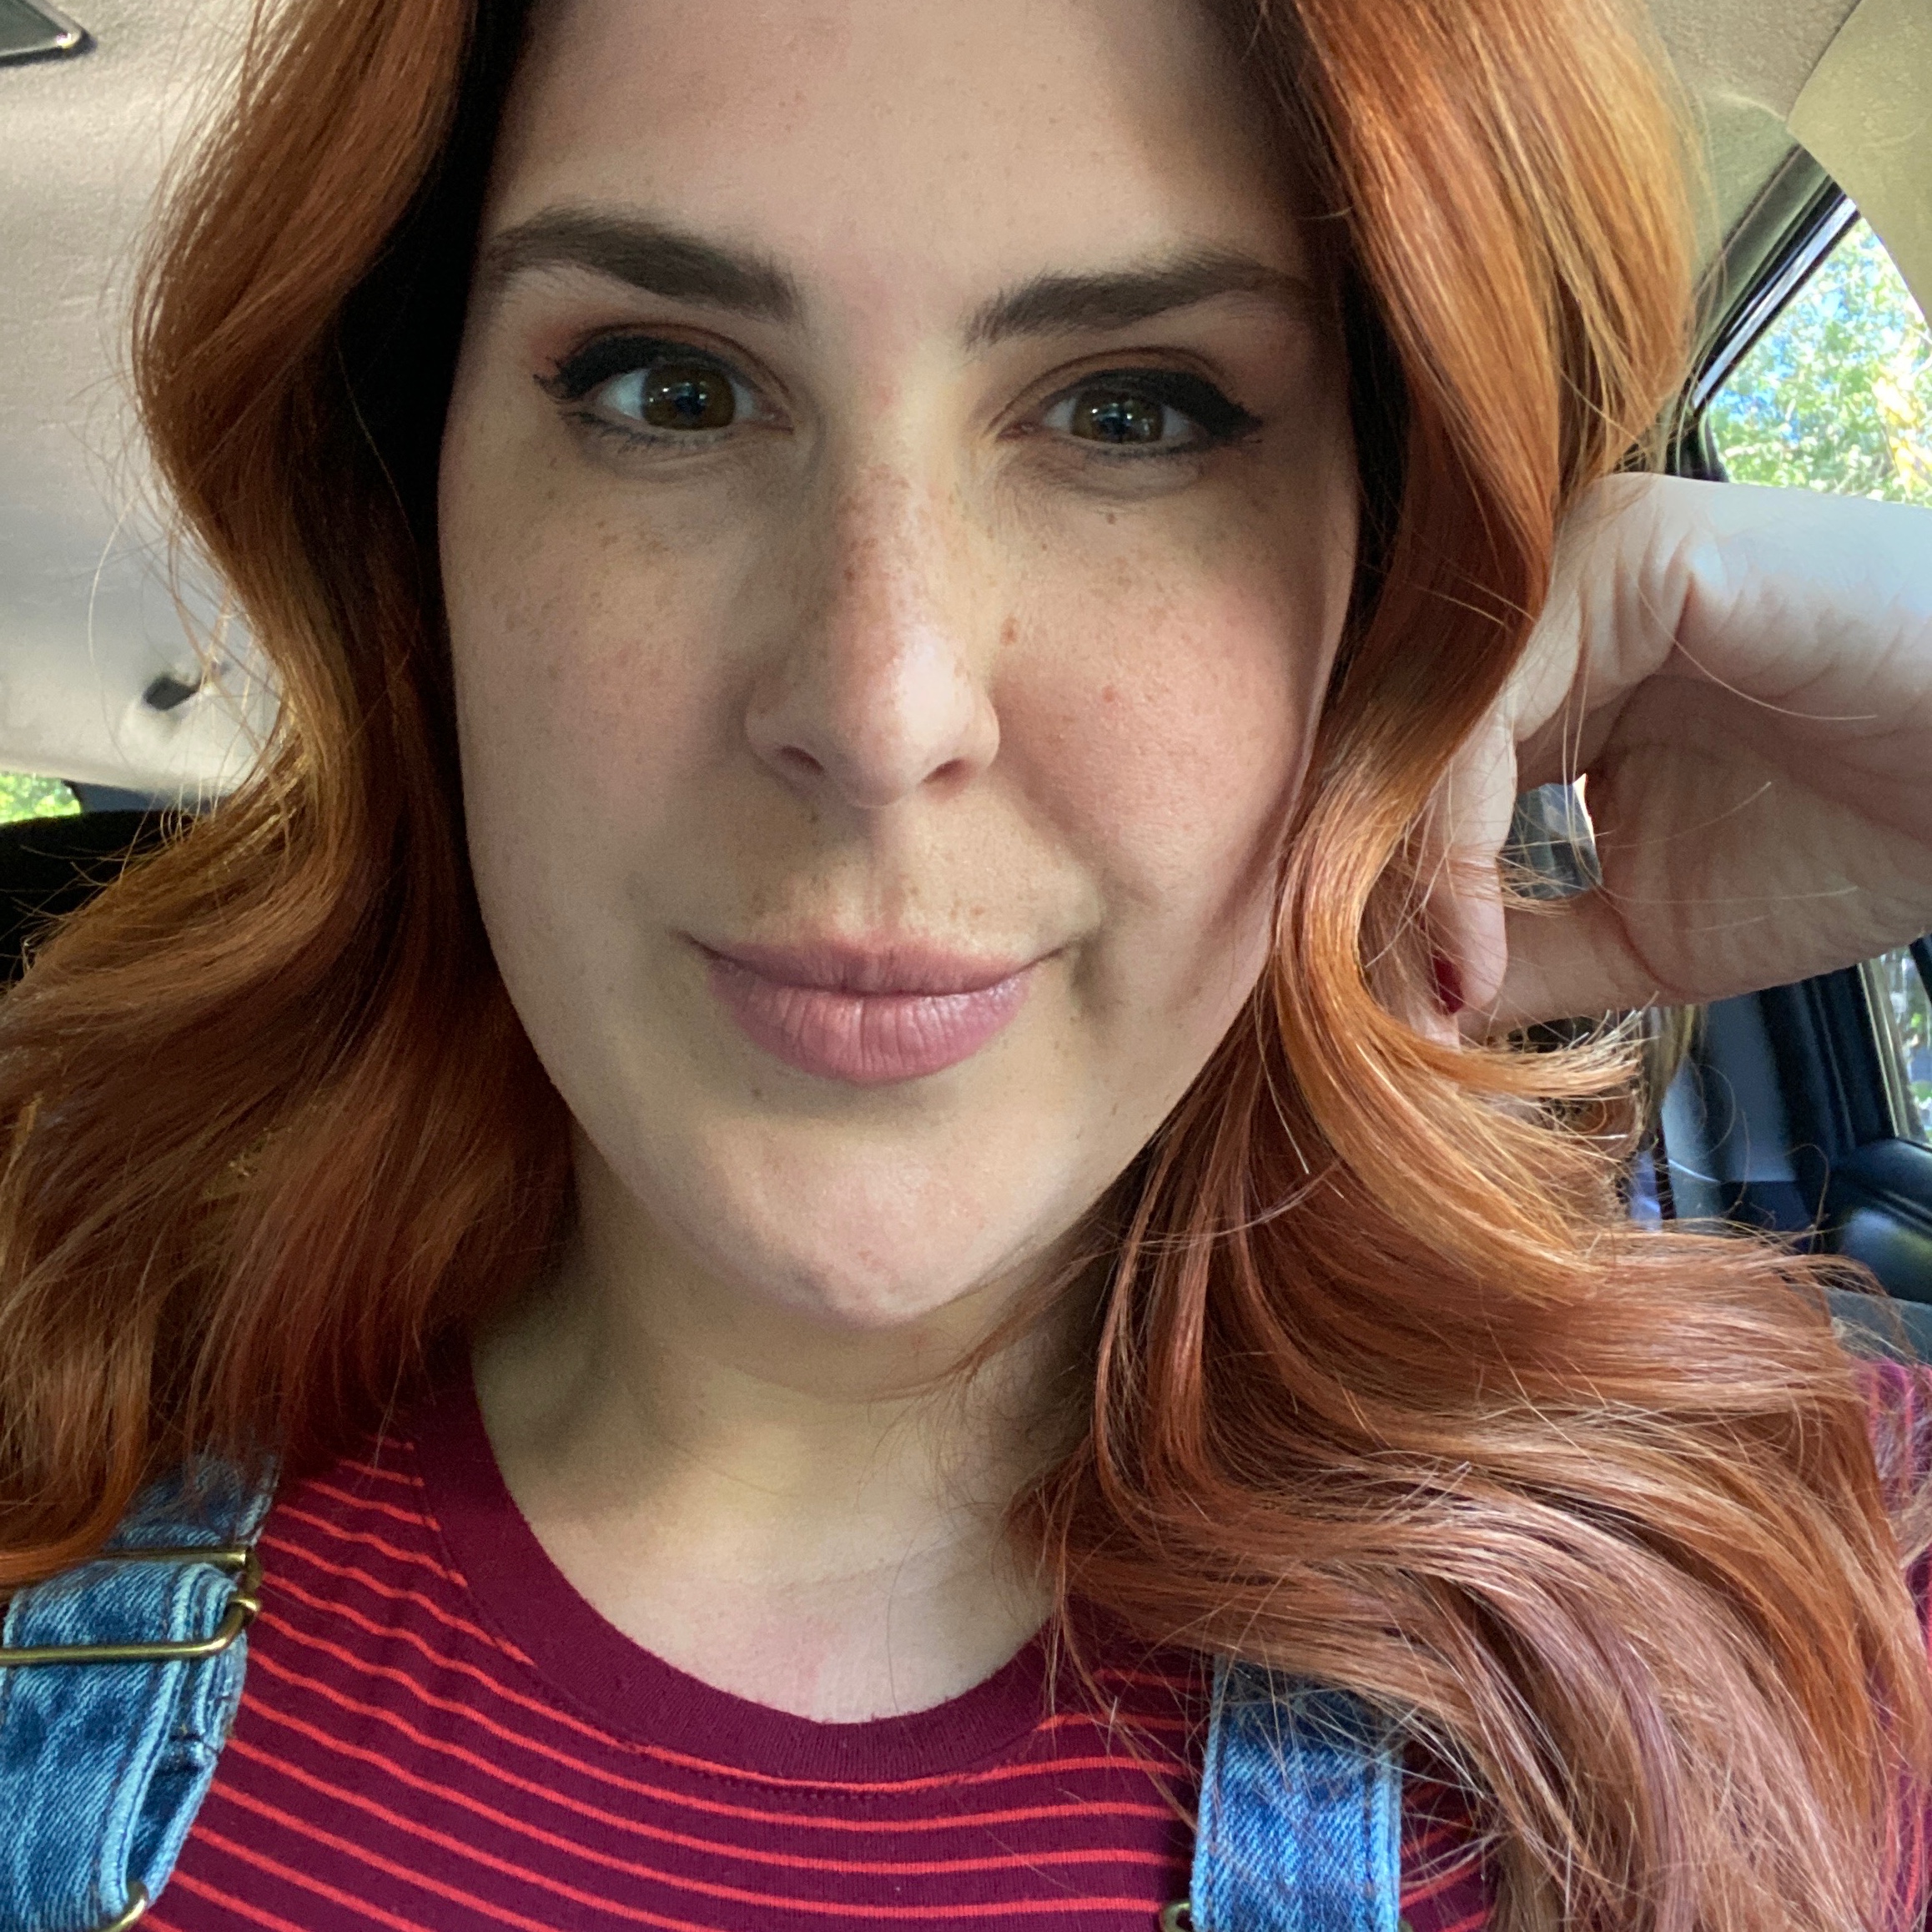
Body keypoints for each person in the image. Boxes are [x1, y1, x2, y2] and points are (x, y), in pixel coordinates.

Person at [3, 0, 1931, 1926]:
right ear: (410, 529)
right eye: (671, 389)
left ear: (1394, 587)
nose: (879, 707)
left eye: (1134, 410)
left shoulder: (1783, 1603)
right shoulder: (41, 1479)